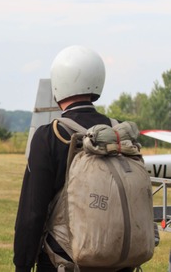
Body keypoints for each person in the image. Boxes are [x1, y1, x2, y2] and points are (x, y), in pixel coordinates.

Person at [13, 45, 134, 272]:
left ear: (58, 83)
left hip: (64, 261)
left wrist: (23, 263)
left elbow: (32, 212)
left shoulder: (50, 135)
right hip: (119, 262)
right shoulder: (117, 133)